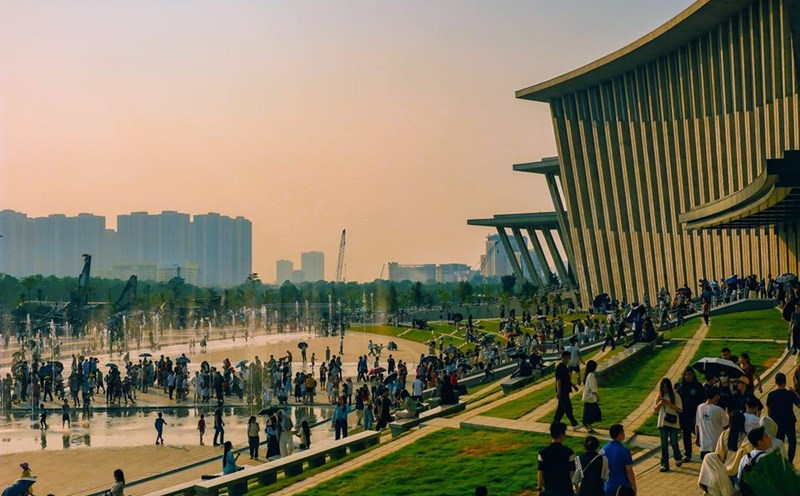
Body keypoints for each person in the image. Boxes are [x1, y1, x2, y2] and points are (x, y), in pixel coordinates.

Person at [766, 372, 799, 463]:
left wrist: (771, 420)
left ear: (775, 382)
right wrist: (795, 393)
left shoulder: (771, 395)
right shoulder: (790, 394)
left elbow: (769, 410)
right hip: (789, 421)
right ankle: (790, 461)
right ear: (785, 382)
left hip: (777, 422)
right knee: (792, 442)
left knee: (779, 442)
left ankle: (780, 461)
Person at [537, 422, 576, 495]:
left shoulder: (542, 453)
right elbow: (572, 473)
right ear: (562, 435)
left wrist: (539, 489)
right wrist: (576, 488)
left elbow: (540, 472)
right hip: (566, 489)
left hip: (550, 489)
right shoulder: (569, 452)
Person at [675, 367, 705, 462]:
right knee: (686, 435)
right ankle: (688, 454)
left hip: (696, 414)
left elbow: (702, 399)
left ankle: (704, 451)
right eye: (686, 375)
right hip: (684, 415)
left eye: (689, 374)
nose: (687, 376)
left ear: (693, 375)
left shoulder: (698, 386)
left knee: (699, 434)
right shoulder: (681, 387)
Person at [654, 377, 683, 471]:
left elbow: (679, 409)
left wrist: (669, 404)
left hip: (673, 421)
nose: (665, 389)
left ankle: (678, 457)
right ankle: (664, 464)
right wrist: (661, 403)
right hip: (662, 422)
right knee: (664, 444)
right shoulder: (659, 395)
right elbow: (655, 410)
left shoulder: (675, 395)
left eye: (666, 387)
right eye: (663, 387)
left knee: (674, 442)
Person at [601, 424, 636, 496]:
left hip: (607, 487)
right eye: (623, 432)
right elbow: (629, 471)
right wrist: (634, 487)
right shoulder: (625, 450)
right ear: (620, 435)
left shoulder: (603, 450)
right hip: (623, 487)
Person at [736, 426, 771, 494]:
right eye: (766, 436)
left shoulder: (745, 458)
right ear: (760, 442)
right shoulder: (766, 458)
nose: (769, 438)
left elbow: (739, 479)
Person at [696, 386, 728, 459]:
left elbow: (697, 425)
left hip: (703, 445)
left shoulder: (700, 407)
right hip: (716, 445)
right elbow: (726, 425)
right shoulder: (718, 410)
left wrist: (697, 439)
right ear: (716, 396)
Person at [554, 351, 580, 429]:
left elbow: (567, 379)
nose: (569, 359)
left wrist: (573, 386)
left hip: (566, 389)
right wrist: (559, 391)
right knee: (568, 408)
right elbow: (558, 380)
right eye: (569, 357)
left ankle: (555, 422)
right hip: (562, 391)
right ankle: (574, 424)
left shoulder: (566, 367)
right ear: (564, 357)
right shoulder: (559, 368)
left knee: (561, 409)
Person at [581, 360, 600, 433]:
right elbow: (592, 388)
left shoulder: (588, 374)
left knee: (589, 413)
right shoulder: (591, 375)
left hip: (588, 397)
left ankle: (587, 425)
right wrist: (597, 396)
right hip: (590, 398)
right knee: (591, 413)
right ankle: (589, 427)